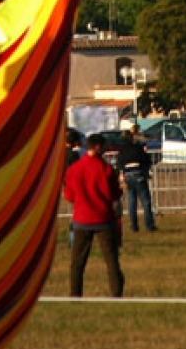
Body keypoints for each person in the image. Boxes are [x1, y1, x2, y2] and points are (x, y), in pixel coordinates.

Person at [62, 133, 124, 298]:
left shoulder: (74, 169)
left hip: (81, 219)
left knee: (77, 262)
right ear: (97, 147)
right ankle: (116, 294)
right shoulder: (106, 169)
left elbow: (69, 196)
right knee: (111, 261)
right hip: (103, 219)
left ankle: (75, 294)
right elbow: (114, 194)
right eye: (103, 147)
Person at [117, 126, 157, 233]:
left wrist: (122, 177)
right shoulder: (137, 148)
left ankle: (134, 226)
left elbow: (119, 165)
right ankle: (149, 225)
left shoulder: (121, 151)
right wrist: (146, 170)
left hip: (128, 176)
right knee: (146, 201)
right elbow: (146, 160)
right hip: (139, 175)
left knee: (132, 202)